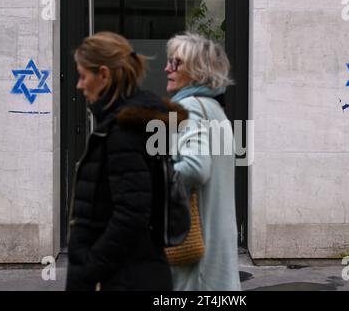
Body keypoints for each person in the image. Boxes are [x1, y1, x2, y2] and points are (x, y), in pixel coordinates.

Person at [65, 31, 187, 291]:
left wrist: (90, 267)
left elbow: (132, 214)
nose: (79, 85)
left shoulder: (123, 131)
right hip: (135, 272)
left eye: (83, 76)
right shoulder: (128, 123)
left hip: (127, 278)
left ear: (104, 75)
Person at [164, 32, 241, 291]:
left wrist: (150, 178)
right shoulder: (214, 109)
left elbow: (196, 168)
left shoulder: (190, 107)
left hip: (196, 261)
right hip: (216, 253)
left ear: (196, 70)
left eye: (176, 63)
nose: (167, 68)